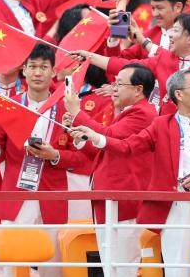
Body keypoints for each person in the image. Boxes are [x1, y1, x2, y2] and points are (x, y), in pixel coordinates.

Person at [70, 69, 190, 277]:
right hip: (174, 205)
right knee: (176, 268)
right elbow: (128, 147)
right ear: (178, 94)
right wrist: (96, 138)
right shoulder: (161, 125)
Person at [0, 45, 87, 277]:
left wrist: (55, 156)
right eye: (33, 67)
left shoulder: (66, 108)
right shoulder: (10, 105)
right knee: (12, 258)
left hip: (52, 192)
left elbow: (81, 156)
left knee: (54, 261)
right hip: (17, 191)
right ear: (24, 71)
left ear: (53, 72)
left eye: (44, 67)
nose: (38, 73)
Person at [63, 63, 158, 276]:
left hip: (123, 197)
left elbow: (110, 136)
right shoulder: (129, 112)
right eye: (114, 83)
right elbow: (103, 150)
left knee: (123, 262)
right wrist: (77, 133)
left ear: (138, 89)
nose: (113, 88)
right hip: (108, 196)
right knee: (110, 262)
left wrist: (78, 112)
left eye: (119, 84)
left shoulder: (143, 113)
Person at [78, 12, 190, 120]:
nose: (170, 36)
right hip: (164, 132)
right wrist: (89, 57)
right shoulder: (164, 59)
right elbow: (126, 66)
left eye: (175, 30)